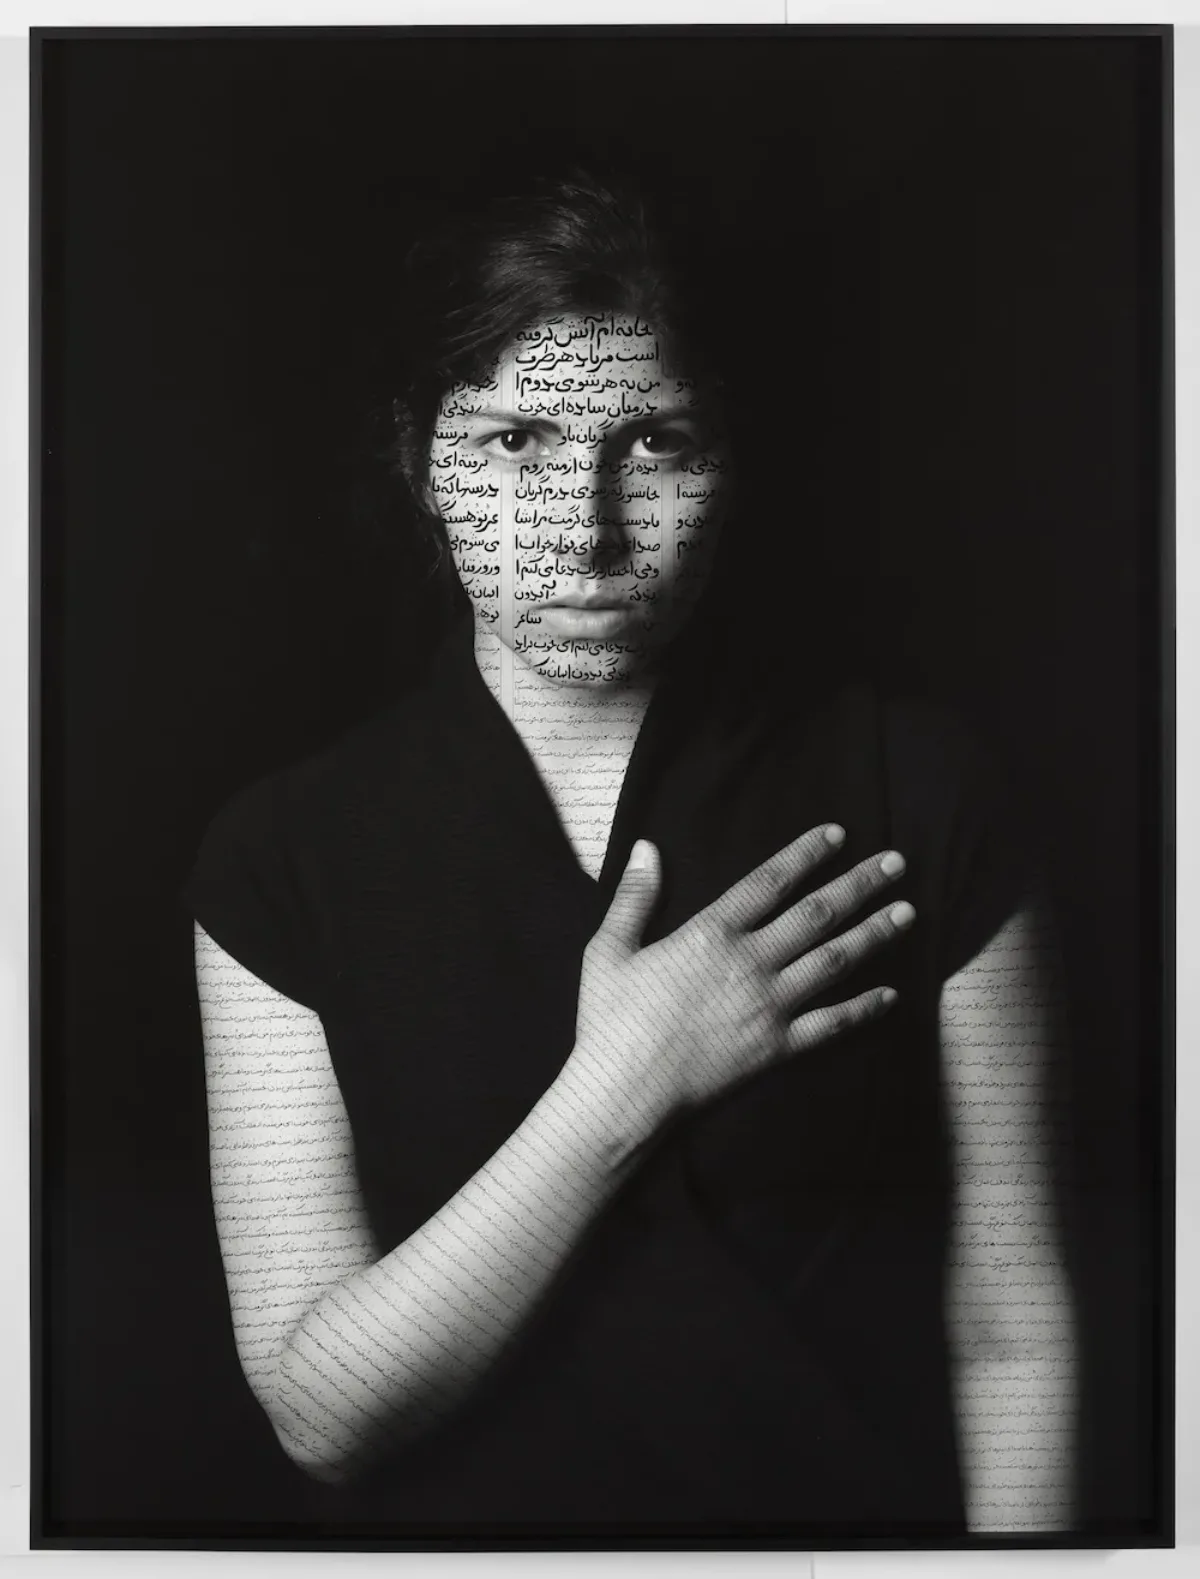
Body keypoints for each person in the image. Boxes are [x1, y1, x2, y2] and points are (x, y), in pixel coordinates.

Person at [187, 168, 1078, 1537]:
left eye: (655, 443)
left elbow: (1009, 1323)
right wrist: (625, 1079)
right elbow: (321, 1408)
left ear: (735, 454)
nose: (587, 529)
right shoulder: (278, 861)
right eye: (517, 444)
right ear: (420, 458)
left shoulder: (927, 788)